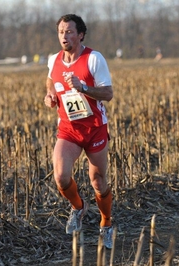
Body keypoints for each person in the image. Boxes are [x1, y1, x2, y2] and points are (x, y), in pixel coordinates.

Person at [44, 14, 114, 248]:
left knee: (98, 182)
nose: (64, 36)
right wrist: (51, 94)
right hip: (69, 129)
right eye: (61, 32)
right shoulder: (53, 59)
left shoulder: (94, 58)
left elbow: (108, 93)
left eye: (70, 31)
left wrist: (83, 87)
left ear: (80, 34)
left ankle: (106, 223)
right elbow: (50, 80)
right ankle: (78, 207)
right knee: (61, 177)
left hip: (94, 129)